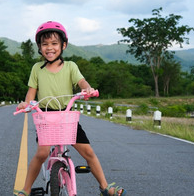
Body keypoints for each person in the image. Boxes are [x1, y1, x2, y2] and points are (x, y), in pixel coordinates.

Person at [16, 21, 126, 196]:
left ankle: (105, 187)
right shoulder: (37, 68)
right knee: (42, 153)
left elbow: (81, 82)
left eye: (54, 44)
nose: (49, 48)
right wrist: (26, 104)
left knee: (88, 152)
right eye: (44, 44)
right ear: (39, 47)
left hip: (66, 116)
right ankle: (26, 190)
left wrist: (87, 89)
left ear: (63, 45)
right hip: (45, 116)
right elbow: (31, 93)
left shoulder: (70, 66)